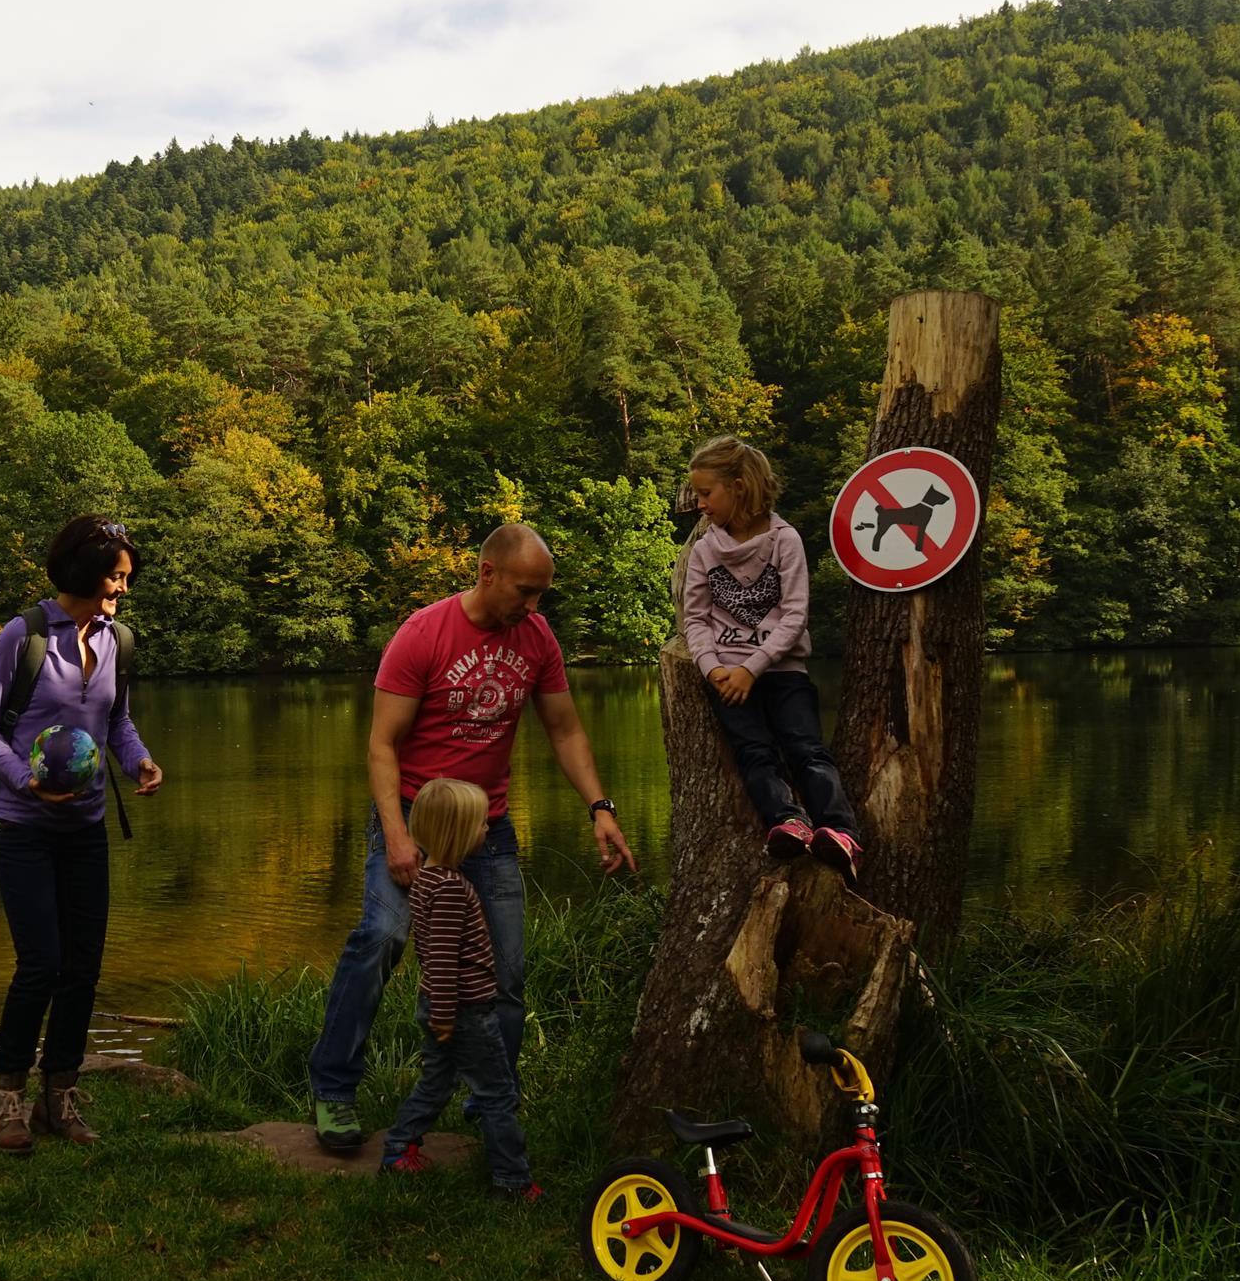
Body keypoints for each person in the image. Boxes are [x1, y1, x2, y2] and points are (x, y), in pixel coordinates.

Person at [305, 523, 637, 1153]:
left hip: (488, 828)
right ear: (487, 573)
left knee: (504, 972)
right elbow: (382, 744)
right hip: (415, 817)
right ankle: (334, 1088)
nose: (533, 606)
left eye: (541, 594)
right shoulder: (422, 633)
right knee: (381, 939)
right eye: (525, 590)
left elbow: (565, 729)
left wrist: (600, 807)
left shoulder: (537, 637)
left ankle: (492, 1102)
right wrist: (397, 835)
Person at [0, 514, 164, 1157]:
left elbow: (117, 722)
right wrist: (25, 780)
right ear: (83, 572)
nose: (123, 589)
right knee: (41, 966)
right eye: (116, 576)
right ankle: (8, 1097)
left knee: (81, 969)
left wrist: (139, 762)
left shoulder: (118, 641)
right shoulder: (23, 636)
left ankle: (60, 1094)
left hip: (85, 829)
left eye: (126, 578)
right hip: (21, 826)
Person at [681, 436, 864, 880]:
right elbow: (695, 619)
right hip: (727, 677)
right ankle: (788, 822)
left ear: (739, 486)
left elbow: (796, 615)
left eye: (706, 493)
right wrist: (714, 668)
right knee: (754, 753)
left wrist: (753, 667)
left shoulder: (785, 540)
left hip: (783, 670)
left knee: (807, 748)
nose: (699, 504)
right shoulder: (704, 550)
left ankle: (840, 831)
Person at [379, 778, 538, 1199]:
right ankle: (513, 1179)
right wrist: (446, 1015)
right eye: (481, 823)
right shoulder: (450, 889)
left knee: (437, 1082)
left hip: (442, 1005)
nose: (487, 829)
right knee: (497, 1092)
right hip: (462, 1010)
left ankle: (399, 1148)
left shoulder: (427, 880)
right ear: (460, 834)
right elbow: (443, 959)